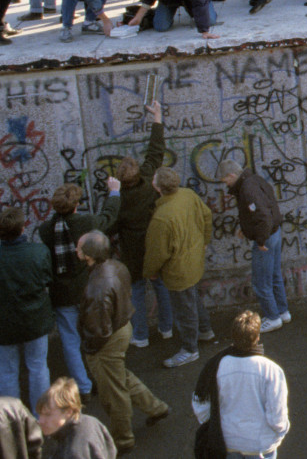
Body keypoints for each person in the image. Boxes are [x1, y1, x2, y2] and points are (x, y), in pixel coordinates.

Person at [72, 230, 169, 452]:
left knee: (113, 392)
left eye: (79, 248)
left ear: (88, 255)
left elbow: (99, 330)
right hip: (122, 328)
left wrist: (90, 350)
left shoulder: (96, 287)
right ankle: (156, 408)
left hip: (107, 340)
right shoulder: (117, 266)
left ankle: (123, 439)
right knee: (120, 376)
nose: (76, 250)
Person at [37, 181, 121, 404]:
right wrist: (114, 192)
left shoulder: (45, 229)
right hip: (87, 290)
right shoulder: (86, 222)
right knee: (97, 335)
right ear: (77, 204)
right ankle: (103, 380)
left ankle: (83, 386)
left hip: (62, 294)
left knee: (70, 340)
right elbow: (108, 216)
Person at [107, 100, 171, 347]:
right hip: (153, 246)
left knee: (136, 293)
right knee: (161, 287)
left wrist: (112, 193)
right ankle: (166, 328)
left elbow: (109, 225)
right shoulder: (147, 180)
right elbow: (156, 151)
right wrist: (157, 116)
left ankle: (141, 335)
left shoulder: (118, 199)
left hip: (132, 253)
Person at [142, 165, 214, 367]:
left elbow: (157, 252)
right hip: (194, 258)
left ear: (157, 187)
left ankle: (190, 349)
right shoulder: (188, 195)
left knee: (184, 309)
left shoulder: (161, 217)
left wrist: (150, 272)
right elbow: (207, 215)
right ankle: (205, 330)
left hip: (177, 270)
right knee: (193, 297)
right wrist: (205, 240)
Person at [191, 309, 288, 459]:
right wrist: (280, 432)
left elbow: (201, 404)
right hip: (260, 445)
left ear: (233, 337)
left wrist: (214, 425)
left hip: (228, 442)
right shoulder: (272, 370)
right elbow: (277, 415)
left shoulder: (216, 365)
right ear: (257, 337)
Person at [217, 160, 288, 332]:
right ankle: (283, 312)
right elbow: (264, 209)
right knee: (274, 275)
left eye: (225, 180)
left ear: (232, 175)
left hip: (266, 238)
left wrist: (260, 240)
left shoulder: (247, 189)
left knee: (260, 282)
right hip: (275, 232)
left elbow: (262, 216)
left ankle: (272, 317)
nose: (225, 184)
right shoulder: (254, 180)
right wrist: (246, 229)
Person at [0, 207, 53, 409]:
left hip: (4, 324)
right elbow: (48, 280)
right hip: (35, 320)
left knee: (6, 371)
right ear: (23, 228)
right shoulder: (38, 252)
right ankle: (42, 415)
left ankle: (11, 419)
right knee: (38, 367)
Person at [35, 378, 116, 459]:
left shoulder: (74, 452)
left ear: (68, 412)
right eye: (40, 414)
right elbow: (111, 449)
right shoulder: (91, 421)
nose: (41, 421)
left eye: (48, 415)